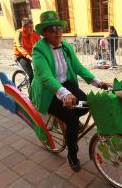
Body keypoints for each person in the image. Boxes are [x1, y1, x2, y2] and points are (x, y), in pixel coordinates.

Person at [30, 11, 111, 172]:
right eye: (52, 29)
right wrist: (64, 94)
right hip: (49, 92)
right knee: (73, 122)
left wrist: (97, 82)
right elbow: (46, 77)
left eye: (59, 28)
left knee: (88, 103)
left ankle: (67, 122)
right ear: (44, 33)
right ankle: (72, 155)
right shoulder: (38, 51)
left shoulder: (66, 47)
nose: (57, 32)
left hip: (66, 84)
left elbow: (78, 67)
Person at [13, 18, 40, 85]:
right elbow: (19, 46)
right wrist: (29, 57)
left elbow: (41, 43)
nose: (32, 29)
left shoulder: (34, 33)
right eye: (29, 27)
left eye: (32, 27)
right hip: (21, 56)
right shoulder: (19, 33)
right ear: (24, 27)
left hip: (32, 55)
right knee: (31, 75)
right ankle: (31, 93)